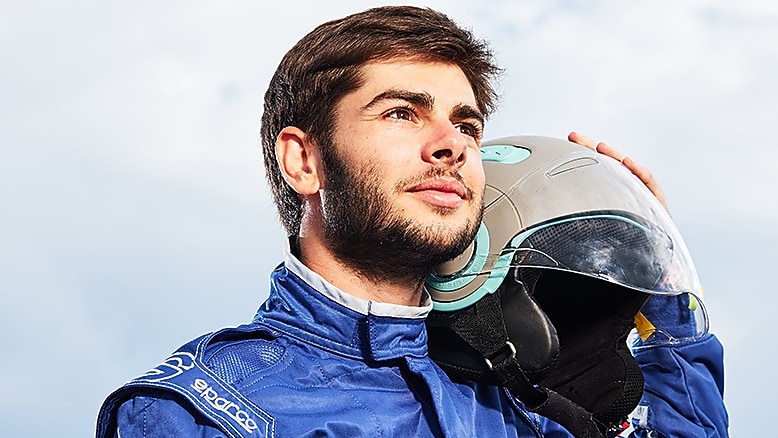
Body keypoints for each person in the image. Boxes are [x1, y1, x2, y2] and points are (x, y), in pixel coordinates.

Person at [96, 6, 727, 437]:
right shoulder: (201, 411)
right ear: (305, 159)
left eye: (467, 124)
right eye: (402, 113)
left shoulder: (516, 403)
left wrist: (659, 273)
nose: (450, 143)